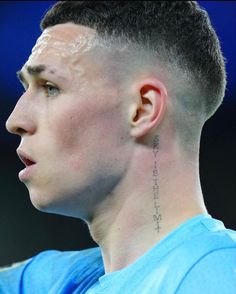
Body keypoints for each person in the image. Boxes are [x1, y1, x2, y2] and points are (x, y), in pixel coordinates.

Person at [1, 1, 235, 293]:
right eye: (27, 88)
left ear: (142, 110)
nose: (15, 120)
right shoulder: (56, 280)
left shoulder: (214, 276)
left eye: (50, 87)